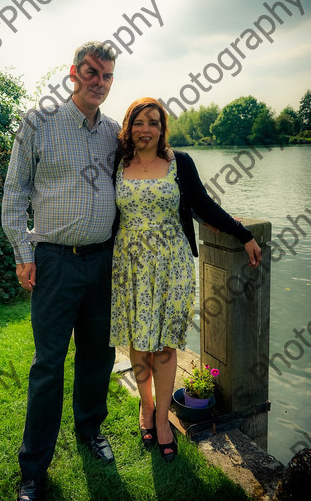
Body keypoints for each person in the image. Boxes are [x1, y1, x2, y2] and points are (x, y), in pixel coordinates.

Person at [109, 97, 261, 462]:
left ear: (162, 129)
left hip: (171, 265)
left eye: (154, 123)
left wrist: (243, 234)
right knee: (139, 343)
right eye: (139, 122)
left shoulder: (180, 162)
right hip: (128, 265)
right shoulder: (116, 162)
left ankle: (162, 420)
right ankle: (145, 407)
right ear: (128, 127)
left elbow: (203, 204)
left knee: (164, 345)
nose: (146, 129)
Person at [2, 42, 120, 501]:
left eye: (108, 76)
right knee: (48, 366)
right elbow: (15, 190)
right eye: (92, 73)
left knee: (98, 355)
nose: (100, 82)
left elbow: (151, 173)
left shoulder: (115, 132)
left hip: (104, 261)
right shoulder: (39, 122)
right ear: (74, 72)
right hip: (54, 261)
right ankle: (33, 472)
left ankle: (90, 431)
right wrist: (22, 252)